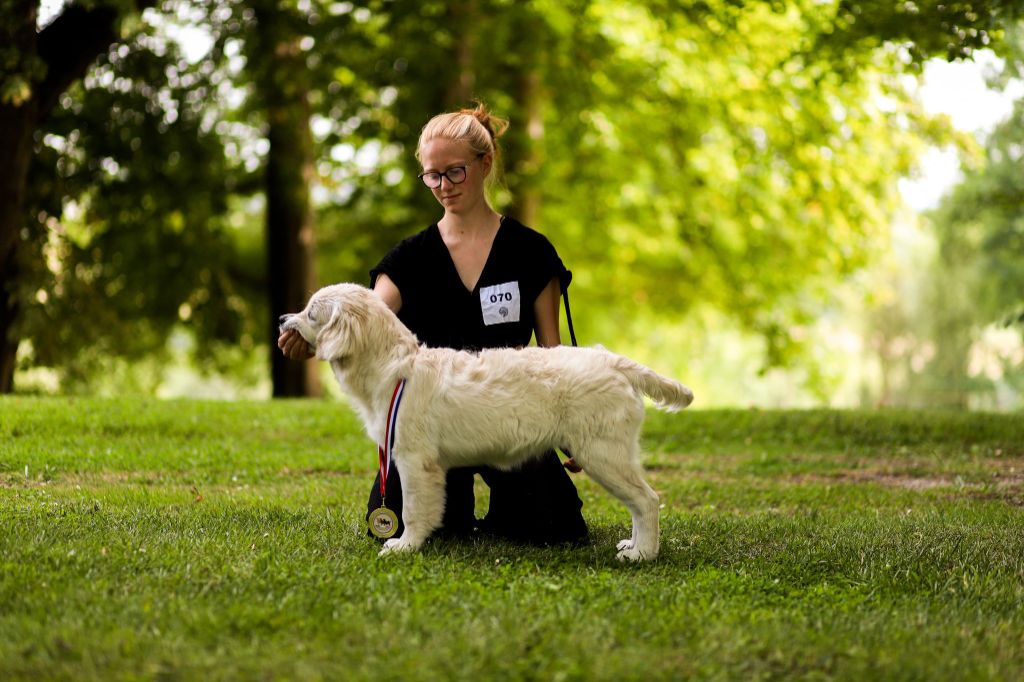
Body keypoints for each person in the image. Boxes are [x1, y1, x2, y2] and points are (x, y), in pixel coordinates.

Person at [278, 103, 588, 545]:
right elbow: (364, 320)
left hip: (510, 419)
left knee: (555, 528)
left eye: (455, 172)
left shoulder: (531, 252)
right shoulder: (407, 259)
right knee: (413, 528)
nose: (443, 186)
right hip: (429, 424)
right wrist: (309, 340)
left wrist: (571, 426)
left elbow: (554, 356)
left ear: (486, 163)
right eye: (432, 176)